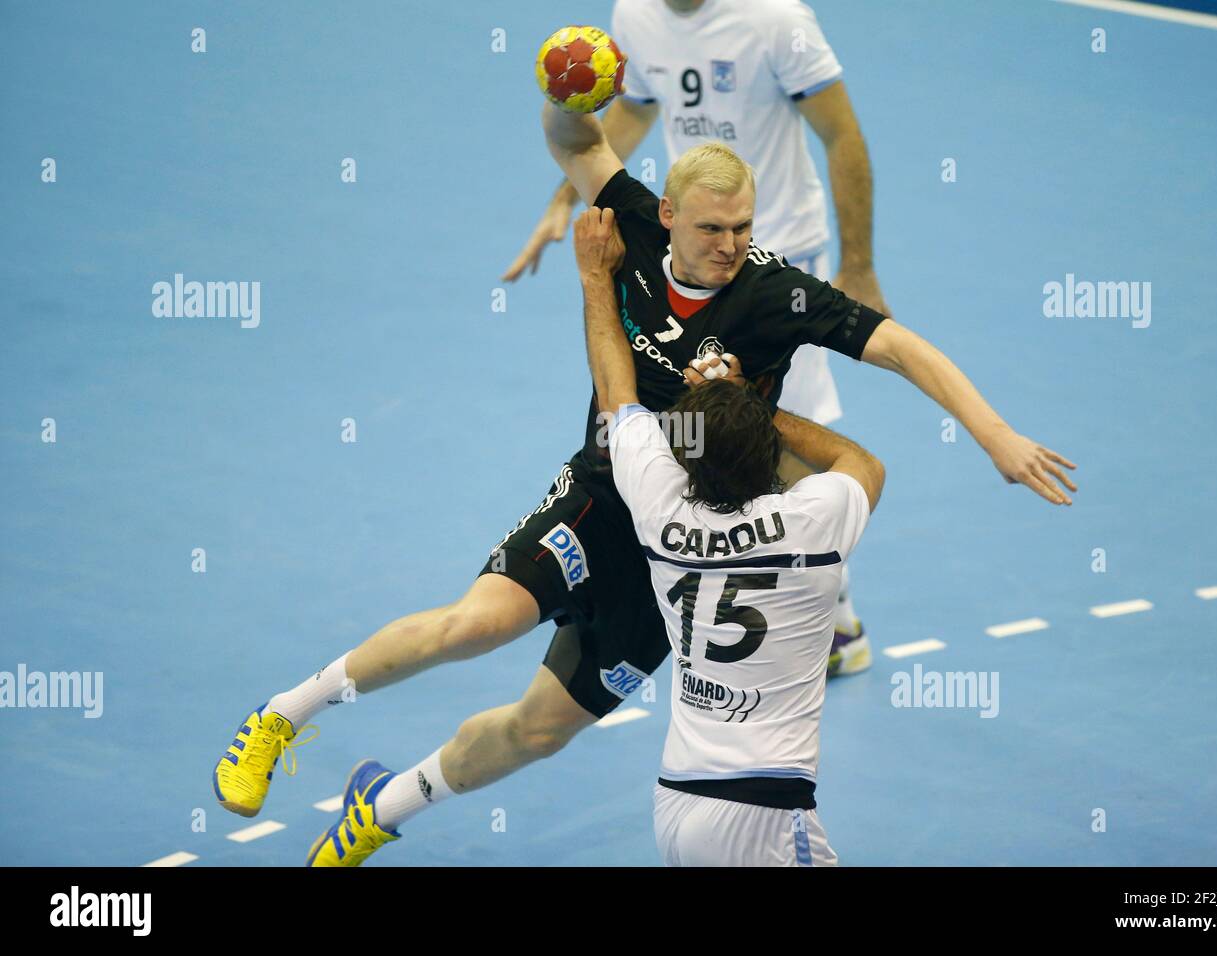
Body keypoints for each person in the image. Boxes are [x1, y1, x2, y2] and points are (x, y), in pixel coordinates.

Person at [213, 100, 1076, 867]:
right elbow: (571, 141)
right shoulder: (628, 220)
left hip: (687, 551)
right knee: (477, 624)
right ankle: (285, 713)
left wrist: (994, 435)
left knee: (538, 730)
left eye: (742, 227)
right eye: (712, 230)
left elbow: (902, 347)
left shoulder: (780, 295)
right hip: (602, 494)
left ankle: (383, 805)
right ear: (669, 216)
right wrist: (564, 94)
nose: (731, 245)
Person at [505, 0, 891, 674]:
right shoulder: (638, 14)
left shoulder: (776, 19)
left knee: (781, 447)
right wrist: (567, 196)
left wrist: (856, 264)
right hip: (695, 253)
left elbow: (843, 135)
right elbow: (631, 112)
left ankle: (831, 618)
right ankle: (833, 619)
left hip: (774, 269)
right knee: (736, 439)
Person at [577, 204, 884, 865]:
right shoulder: (811, 526)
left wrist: (596, 280)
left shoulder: (661, 511)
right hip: (765, 813)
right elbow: (862, 464)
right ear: (769, 458)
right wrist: (760, 406)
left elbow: (617, 393)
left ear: (688, 459)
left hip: (676, 797)